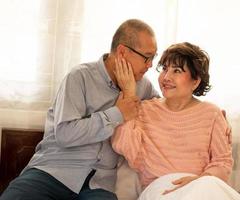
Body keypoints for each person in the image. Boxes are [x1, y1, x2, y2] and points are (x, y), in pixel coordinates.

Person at [0, 19, 159, 200]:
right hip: (53, 171)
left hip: (98, 185)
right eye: (147, 57)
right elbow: (65, 134)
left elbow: (169, 111)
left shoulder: (142, 87)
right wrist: (118, 113)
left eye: (153, 58)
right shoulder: (79, 77)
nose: (150, 65)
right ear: (122, 52)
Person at [112, 42, 240, 200]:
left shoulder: (213, 114)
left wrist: (202, 178)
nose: (166, 77)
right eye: (164, 69)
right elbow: (124, 147)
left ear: (195, 81)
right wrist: (128, 94)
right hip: (161, 189)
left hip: (202, 185)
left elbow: (222, 162)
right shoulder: (144, 110)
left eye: (177, 71)